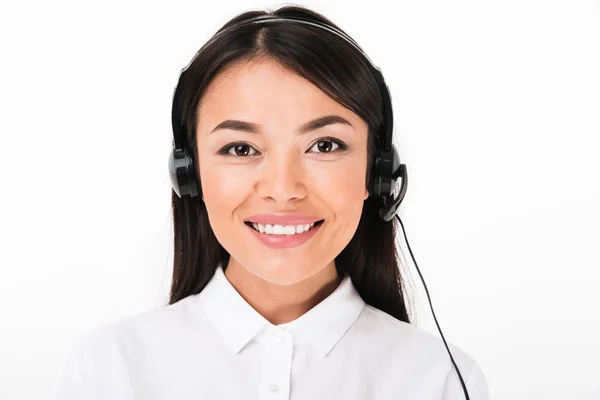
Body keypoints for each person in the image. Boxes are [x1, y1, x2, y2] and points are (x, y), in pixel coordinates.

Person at [55, 5, 490, 399]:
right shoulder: (108, 371)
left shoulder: (440, 381)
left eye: (324, 145)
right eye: (241, 149)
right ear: (190, 175)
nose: (283, 189)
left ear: (377, 174)